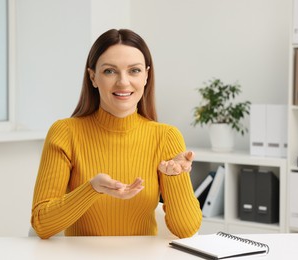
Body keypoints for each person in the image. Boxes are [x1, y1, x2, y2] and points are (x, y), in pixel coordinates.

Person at [31, 28, 202, 239]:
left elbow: (186, 230)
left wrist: (175, 176)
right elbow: (42, 224)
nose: (123, 82)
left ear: (147, 75)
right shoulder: (65, 133)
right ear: (93, 77)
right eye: (110, 71)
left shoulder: (166, 137)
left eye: (134, 71)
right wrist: (92, 189)